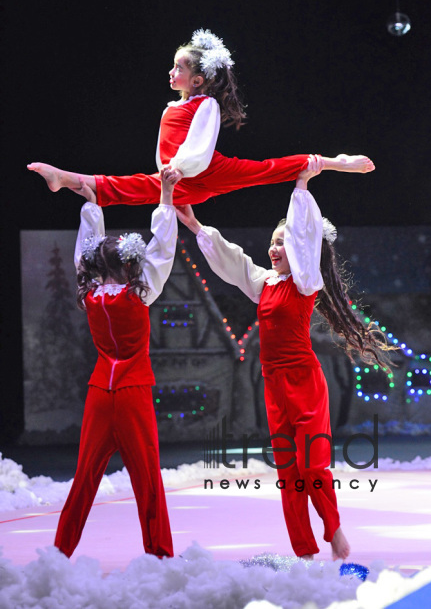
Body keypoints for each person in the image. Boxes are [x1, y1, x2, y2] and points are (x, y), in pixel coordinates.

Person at [175, 159, 392, 561]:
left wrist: (301, 186)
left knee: (312, 467)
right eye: (272, 243)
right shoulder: (265, 284)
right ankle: (304, 551)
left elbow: (304, 236)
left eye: (283, 242)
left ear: (299, 248)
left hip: (305, 383)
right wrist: (194, 226)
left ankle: (334, 529)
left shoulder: (307, 282)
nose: (274, 248)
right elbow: (234, 263)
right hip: (274, 386)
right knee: (288, 474)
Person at [27, 28, 374, 207]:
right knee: (132, 187)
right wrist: (170, 174)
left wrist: (178, 168)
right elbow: (163, 152)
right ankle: (68, 179)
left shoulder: (204, 104)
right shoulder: (171, 108)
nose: (171, 71)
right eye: (173, 65)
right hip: (182, 180)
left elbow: (199, 144)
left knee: (269, 170)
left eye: (179, 67)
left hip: (206, 170)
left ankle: (336, 162)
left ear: (197, 80)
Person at [53, 169, 178, 560]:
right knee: (147, 480)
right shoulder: (138, 294)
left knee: (84, 479)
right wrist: (167, 196)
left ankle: (61, 551)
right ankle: (159, 554)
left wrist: (92, 204)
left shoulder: (89, 293)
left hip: (99, 393)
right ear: (128, 267)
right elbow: (163, 250)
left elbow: (82, 252)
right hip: (133, 390)